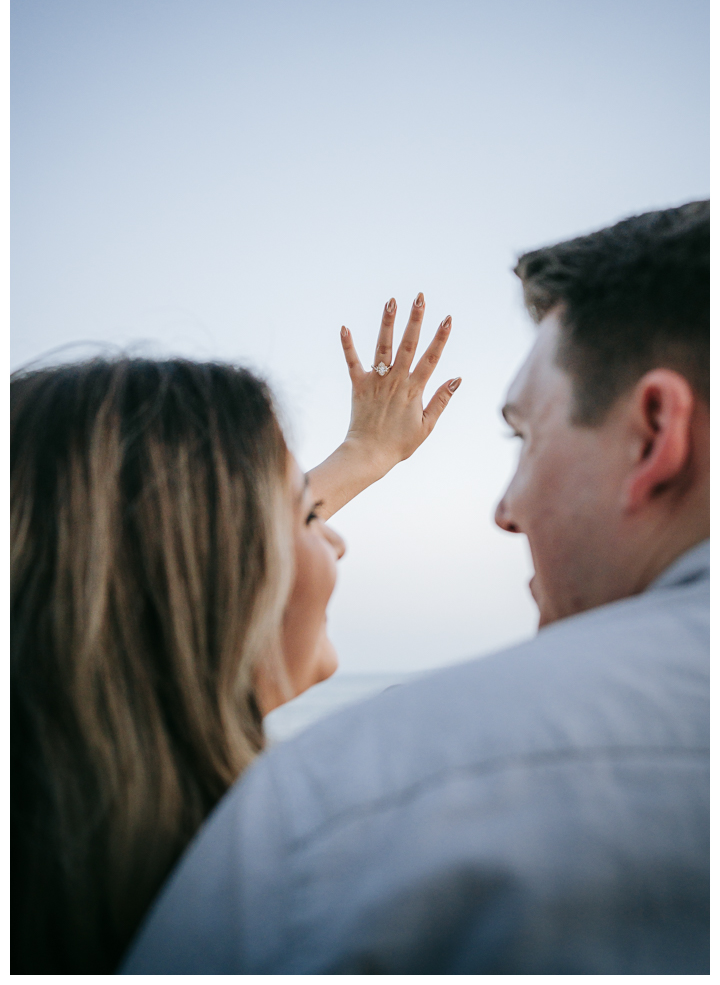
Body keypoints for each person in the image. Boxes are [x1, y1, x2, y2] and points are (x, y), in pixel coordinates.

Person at [122, 199, 710, 975]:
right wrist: (361, 455)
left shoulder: (338, 813)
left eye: (524, 437)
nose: (504, 512)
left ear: (654, 433)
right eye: (302, 513)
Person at [10, 299, 460, 973]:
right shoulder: (289, 907)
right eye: (308, 514)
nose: (335, 539)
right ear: (206, 589)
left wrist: (363, 454)